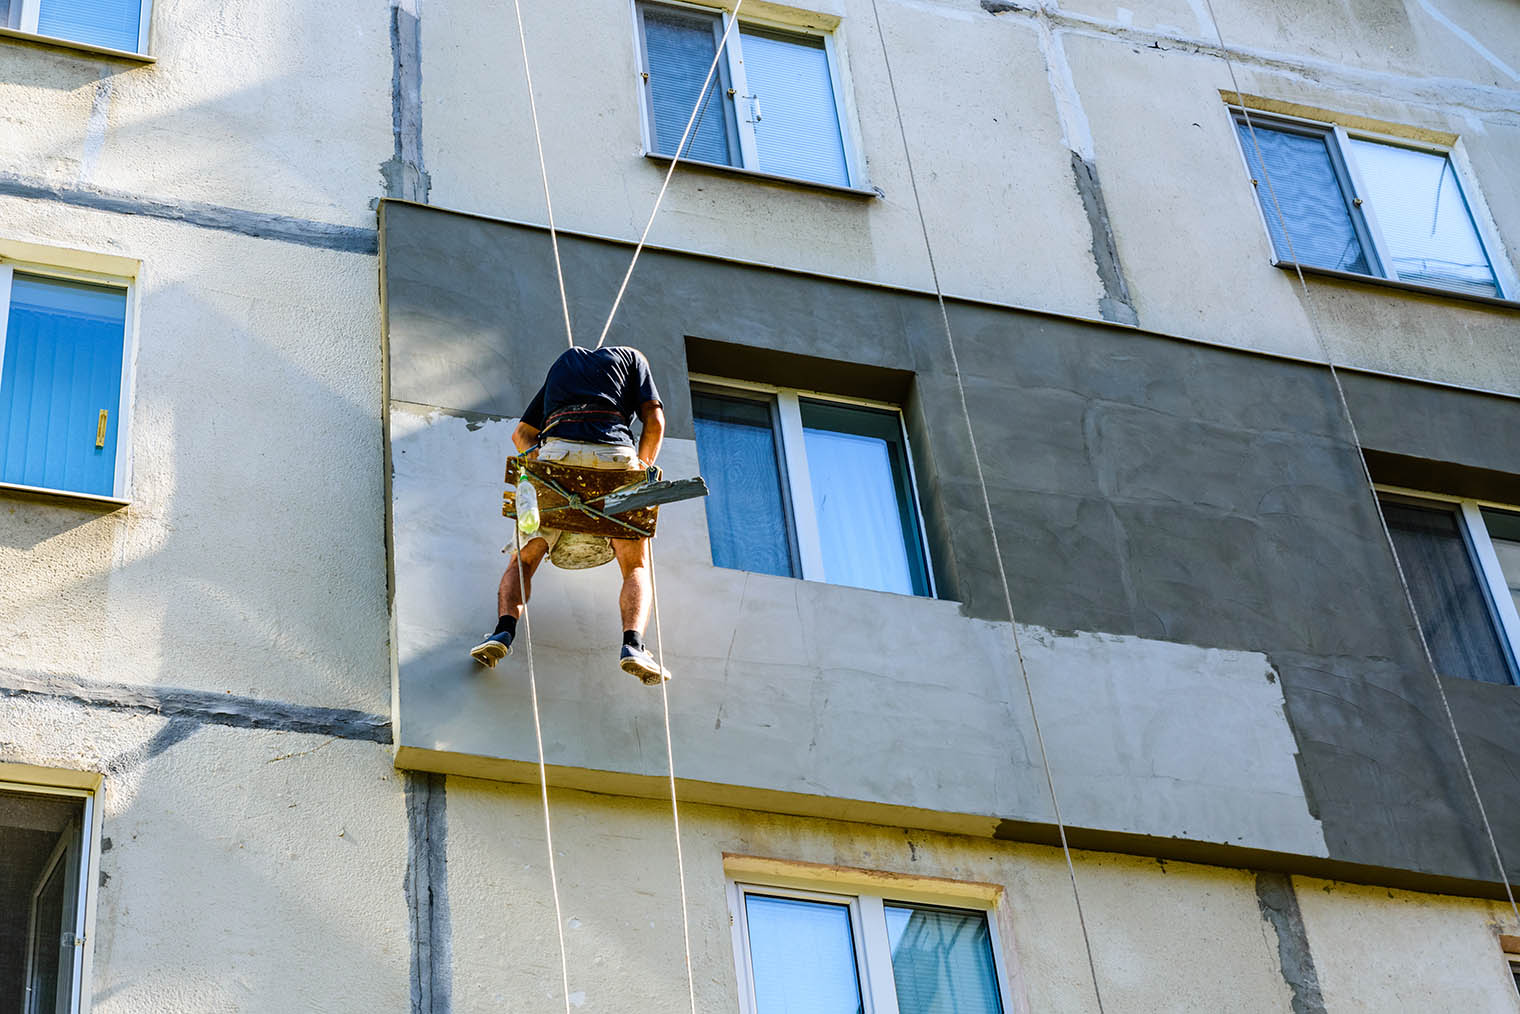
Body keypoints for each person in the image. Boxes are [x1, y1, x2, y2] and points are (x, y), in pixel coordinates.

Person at [470, 345, 669, 684]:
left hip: (557, 454)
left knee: (523, 561)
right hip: (615, 456)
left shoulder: (561, 364)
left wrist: (544, 469)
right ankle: (633, 645)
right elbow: (655, 421)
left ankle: (502, 631)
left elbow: (521, 435)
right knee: (635, 564)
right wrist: (642, 472)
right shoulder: (634, 359)